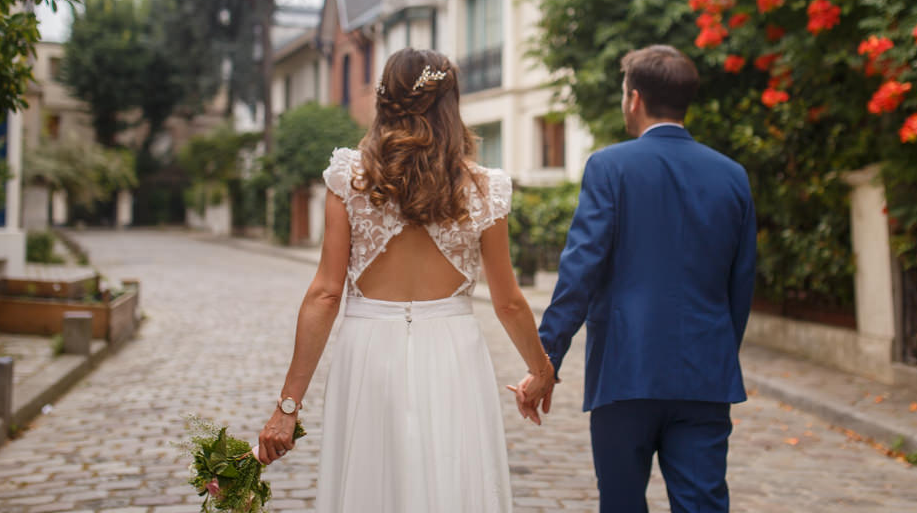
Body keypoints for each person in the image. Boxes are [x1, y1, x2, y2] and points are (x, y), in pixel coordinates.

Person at [257, 48, 555, 512]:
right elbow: (510, 303)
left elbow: (325, 292)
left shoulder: (350, 181)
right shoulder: (484, 189)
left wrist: (288, 408)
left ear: (383, 100)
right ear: (450, 105)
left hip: (369, 354)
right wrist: (541, 370)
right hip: (454, 354)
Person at [515, 44, 757, 513]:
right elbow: (741, 282)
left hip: (625, 371)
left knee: (621, 503)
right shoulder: (732, 176)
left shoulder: (610, 167)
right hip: (704, 375)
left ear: (634, 98)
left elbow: (580, 270)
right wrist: (719, 351)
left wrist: (544, 361)